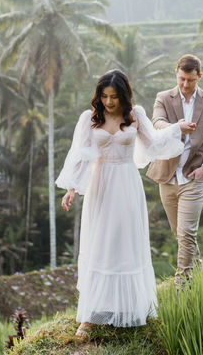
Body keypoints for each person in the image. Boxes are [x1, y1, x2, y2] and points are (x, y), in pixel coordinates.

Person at [57, 69, 185, 338]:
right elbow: (79, 156)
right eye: (104, 96)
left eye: (114, 96)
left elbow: (155, 143)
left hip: (127, 183)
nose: (109, 102)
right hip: (101, 184)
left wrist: (177, 129)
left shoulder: (135, 114)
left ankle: (129, 308)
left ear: (123, 95)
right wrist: (71, 188)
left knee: (125, 242)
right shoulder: (90, 118)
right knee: (101, 242)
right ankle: (91, 315)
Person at [146, 54, 203, 286]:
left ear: (199, 76)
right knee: (180, 234)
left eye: (190, 80)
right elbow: (156, 123)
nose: (185, 84)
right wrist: (176, 128)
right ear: (176, 74)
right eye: (181, 79)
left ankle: (182, 284)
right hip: (167, 177)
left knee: (187, 232)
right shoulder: (163, 98)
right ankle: (202, 278)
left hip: (194, 176)